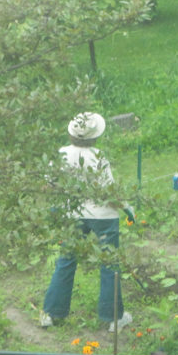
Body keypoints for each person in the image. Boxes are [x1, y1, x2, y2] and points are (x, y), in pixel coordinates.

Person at [40, 112, 133, 332]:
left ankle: (51, 314)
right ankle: (113, 319)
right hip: (103, 216)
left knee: (66, 259)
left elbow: (48, 185)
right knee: (110, 263)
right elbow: (110, 192)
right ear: (95, 136)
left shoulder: (61, 154)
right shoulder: (99, 156)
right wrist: (128, 208)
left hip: (71, 213)